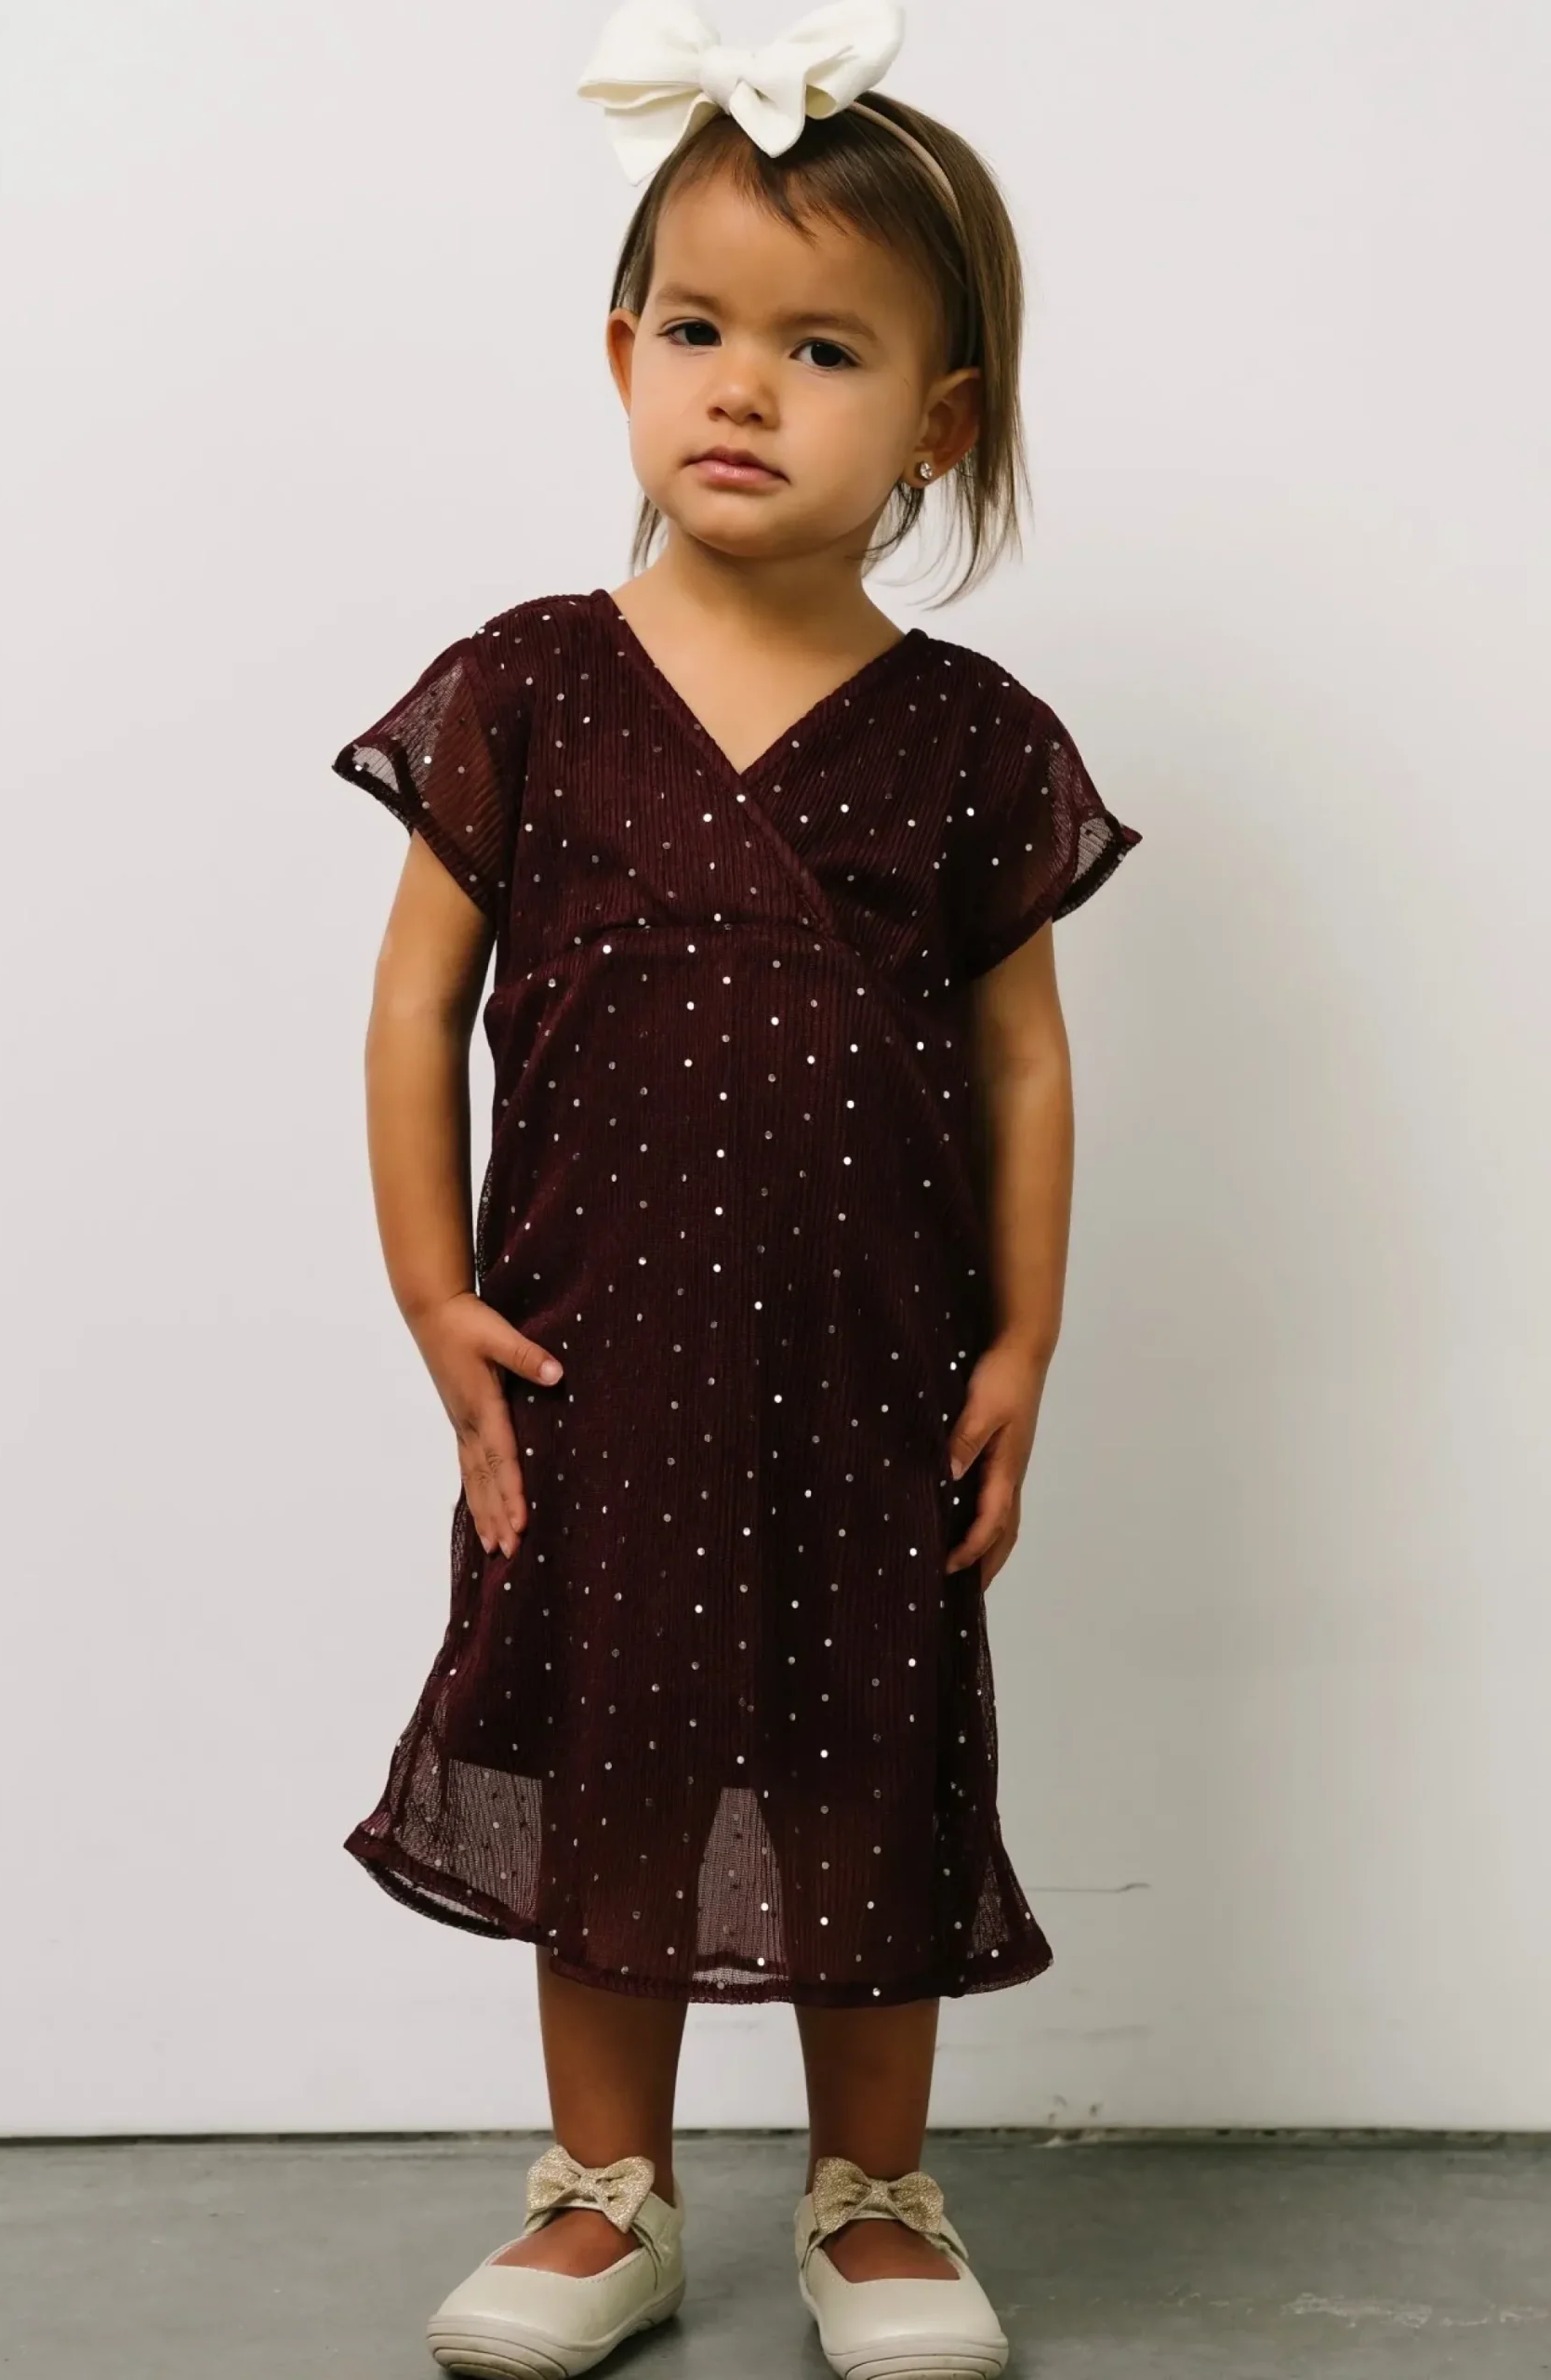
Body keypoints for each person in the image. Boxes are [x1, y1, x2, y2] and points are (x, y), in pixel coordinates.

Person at [329, 4, 1142, 2373]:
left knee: (866, 1753)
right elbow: (410, 1008)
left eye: (822, 348)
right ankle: (611, 2190)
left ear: (937, 423)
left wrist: (1025, 1335)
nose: (744, 389)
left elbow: (1023, 1054)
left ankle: (873, 2194)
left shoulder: (971, 739)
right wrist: (434, 1299)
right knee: (613, 1750)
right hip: (595, 1354)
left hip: (870, 1369)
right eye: (696, 331)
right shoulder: (530, 686)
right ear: (621, 357)